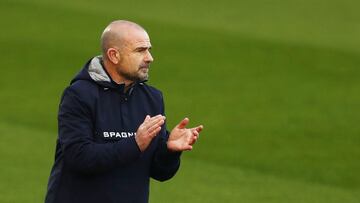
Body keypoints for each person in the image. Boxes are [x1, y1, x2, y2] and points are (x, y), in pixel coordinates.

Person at [44, 20, 203, 203]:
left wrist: (170, 151)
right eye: (140, 50)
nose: (149, 57)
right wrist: (134, 144)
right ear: (114, 55)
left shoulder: (152, 99)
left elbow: (159, 172)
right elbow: (79, 157)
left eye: (149, 49)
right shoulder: (79, 95)